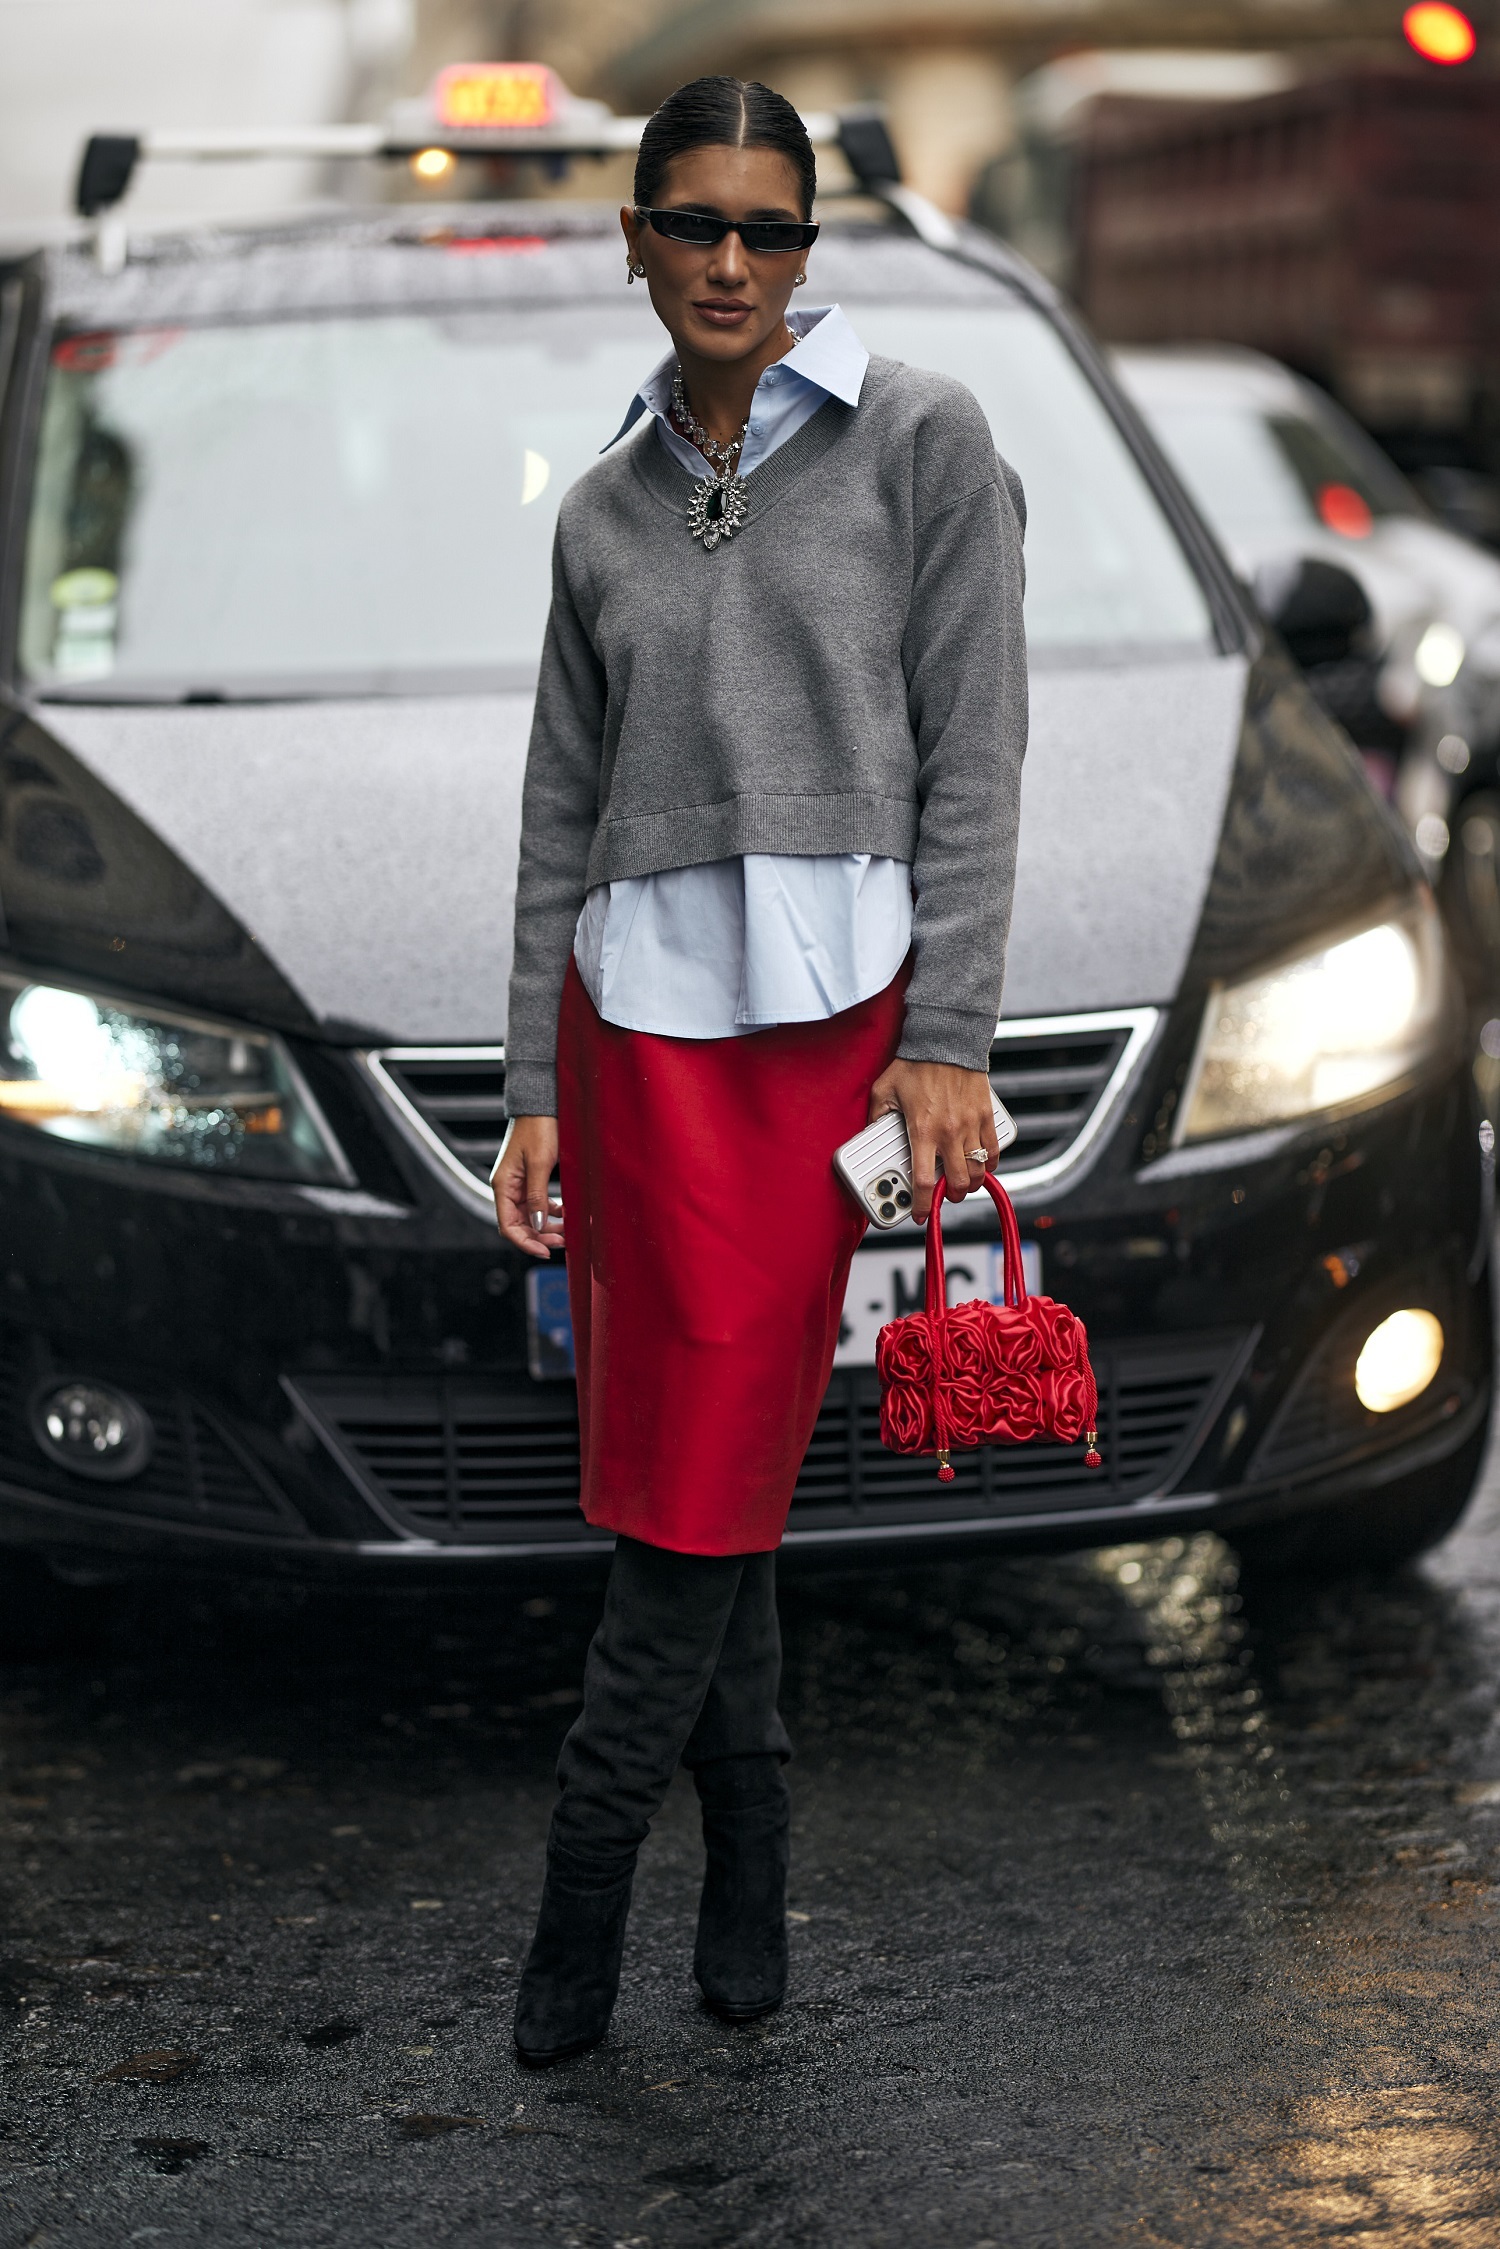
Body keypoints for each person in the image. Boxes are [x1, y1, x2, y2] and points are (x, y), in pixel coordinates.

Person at [493, 73, 1027, 2065]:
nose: (731, 262)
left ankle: (581, 1891)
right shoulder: (600, 506)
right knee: (695, 1480)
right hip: (630, 1044)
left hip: (829, 1049)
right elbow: (560, 808)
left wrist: (951, 1039)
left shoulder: (925, 444)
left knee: (696, 1483)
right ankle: (747, 1864)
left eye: (769, 230)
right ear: (633, 238)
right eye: (694, 225)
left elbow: (976, 758)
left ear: (813, 248)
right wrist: (527, 1093)